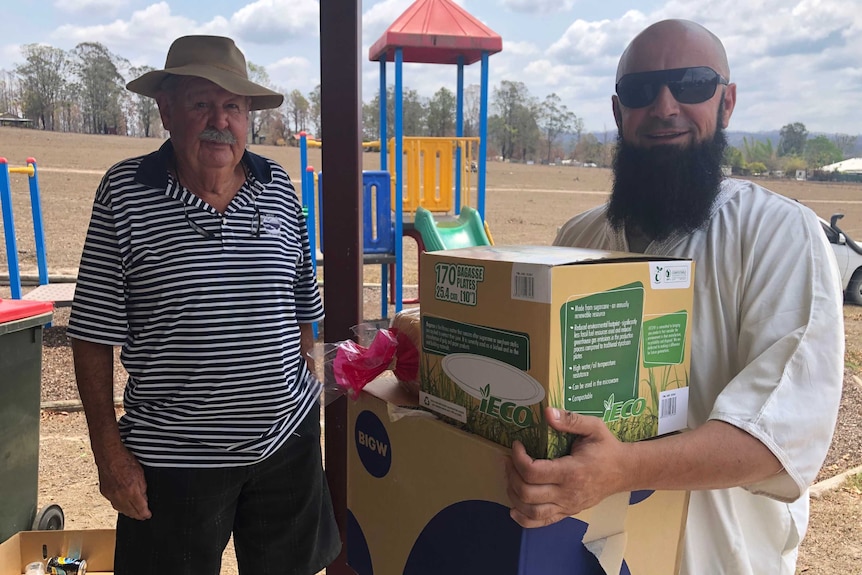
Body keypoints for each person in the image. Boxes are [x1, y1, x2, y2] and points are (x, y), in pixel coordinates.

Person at [504, 19, 844, 575]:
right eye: (641, 91)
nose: (664, 106)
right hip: (579, 555)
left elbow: (777, 436)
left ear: (727, 102)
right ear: (619, 112)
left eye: (690, 84)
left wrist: (623, 469)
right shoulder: (575, 240)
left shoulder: (778, 235)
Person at [68, 35, 340, 575]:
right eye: (202, 103)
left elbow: (304, 306)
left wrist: (305, 405)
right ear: (166, 111)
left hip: (286, 449)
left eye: (233, 107)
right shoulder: (126, 193)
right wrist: (109, 456)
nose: (221, 120)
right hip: (174, 463)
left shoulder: (277, 187)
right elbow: (92, 334)